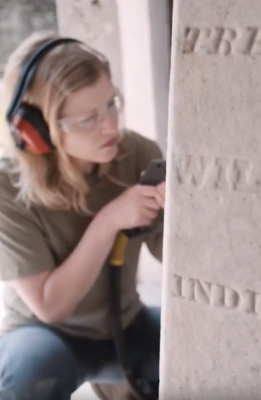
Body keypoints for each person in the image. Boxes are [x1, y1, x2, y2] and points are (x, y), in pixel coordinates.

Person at [0, 31, 166, 400]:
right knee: (30, 375)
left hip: (125, 325)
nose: (111, 126)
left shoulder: (136, 153)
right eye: (89, 118)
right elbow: (51, 306)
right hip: (44, 336)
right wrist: (108, 221)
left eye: (112, 103)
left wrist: (187, 218)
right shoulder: (6, 188)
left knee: (194, 346)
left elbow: (165, 251)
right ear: (37, 131)